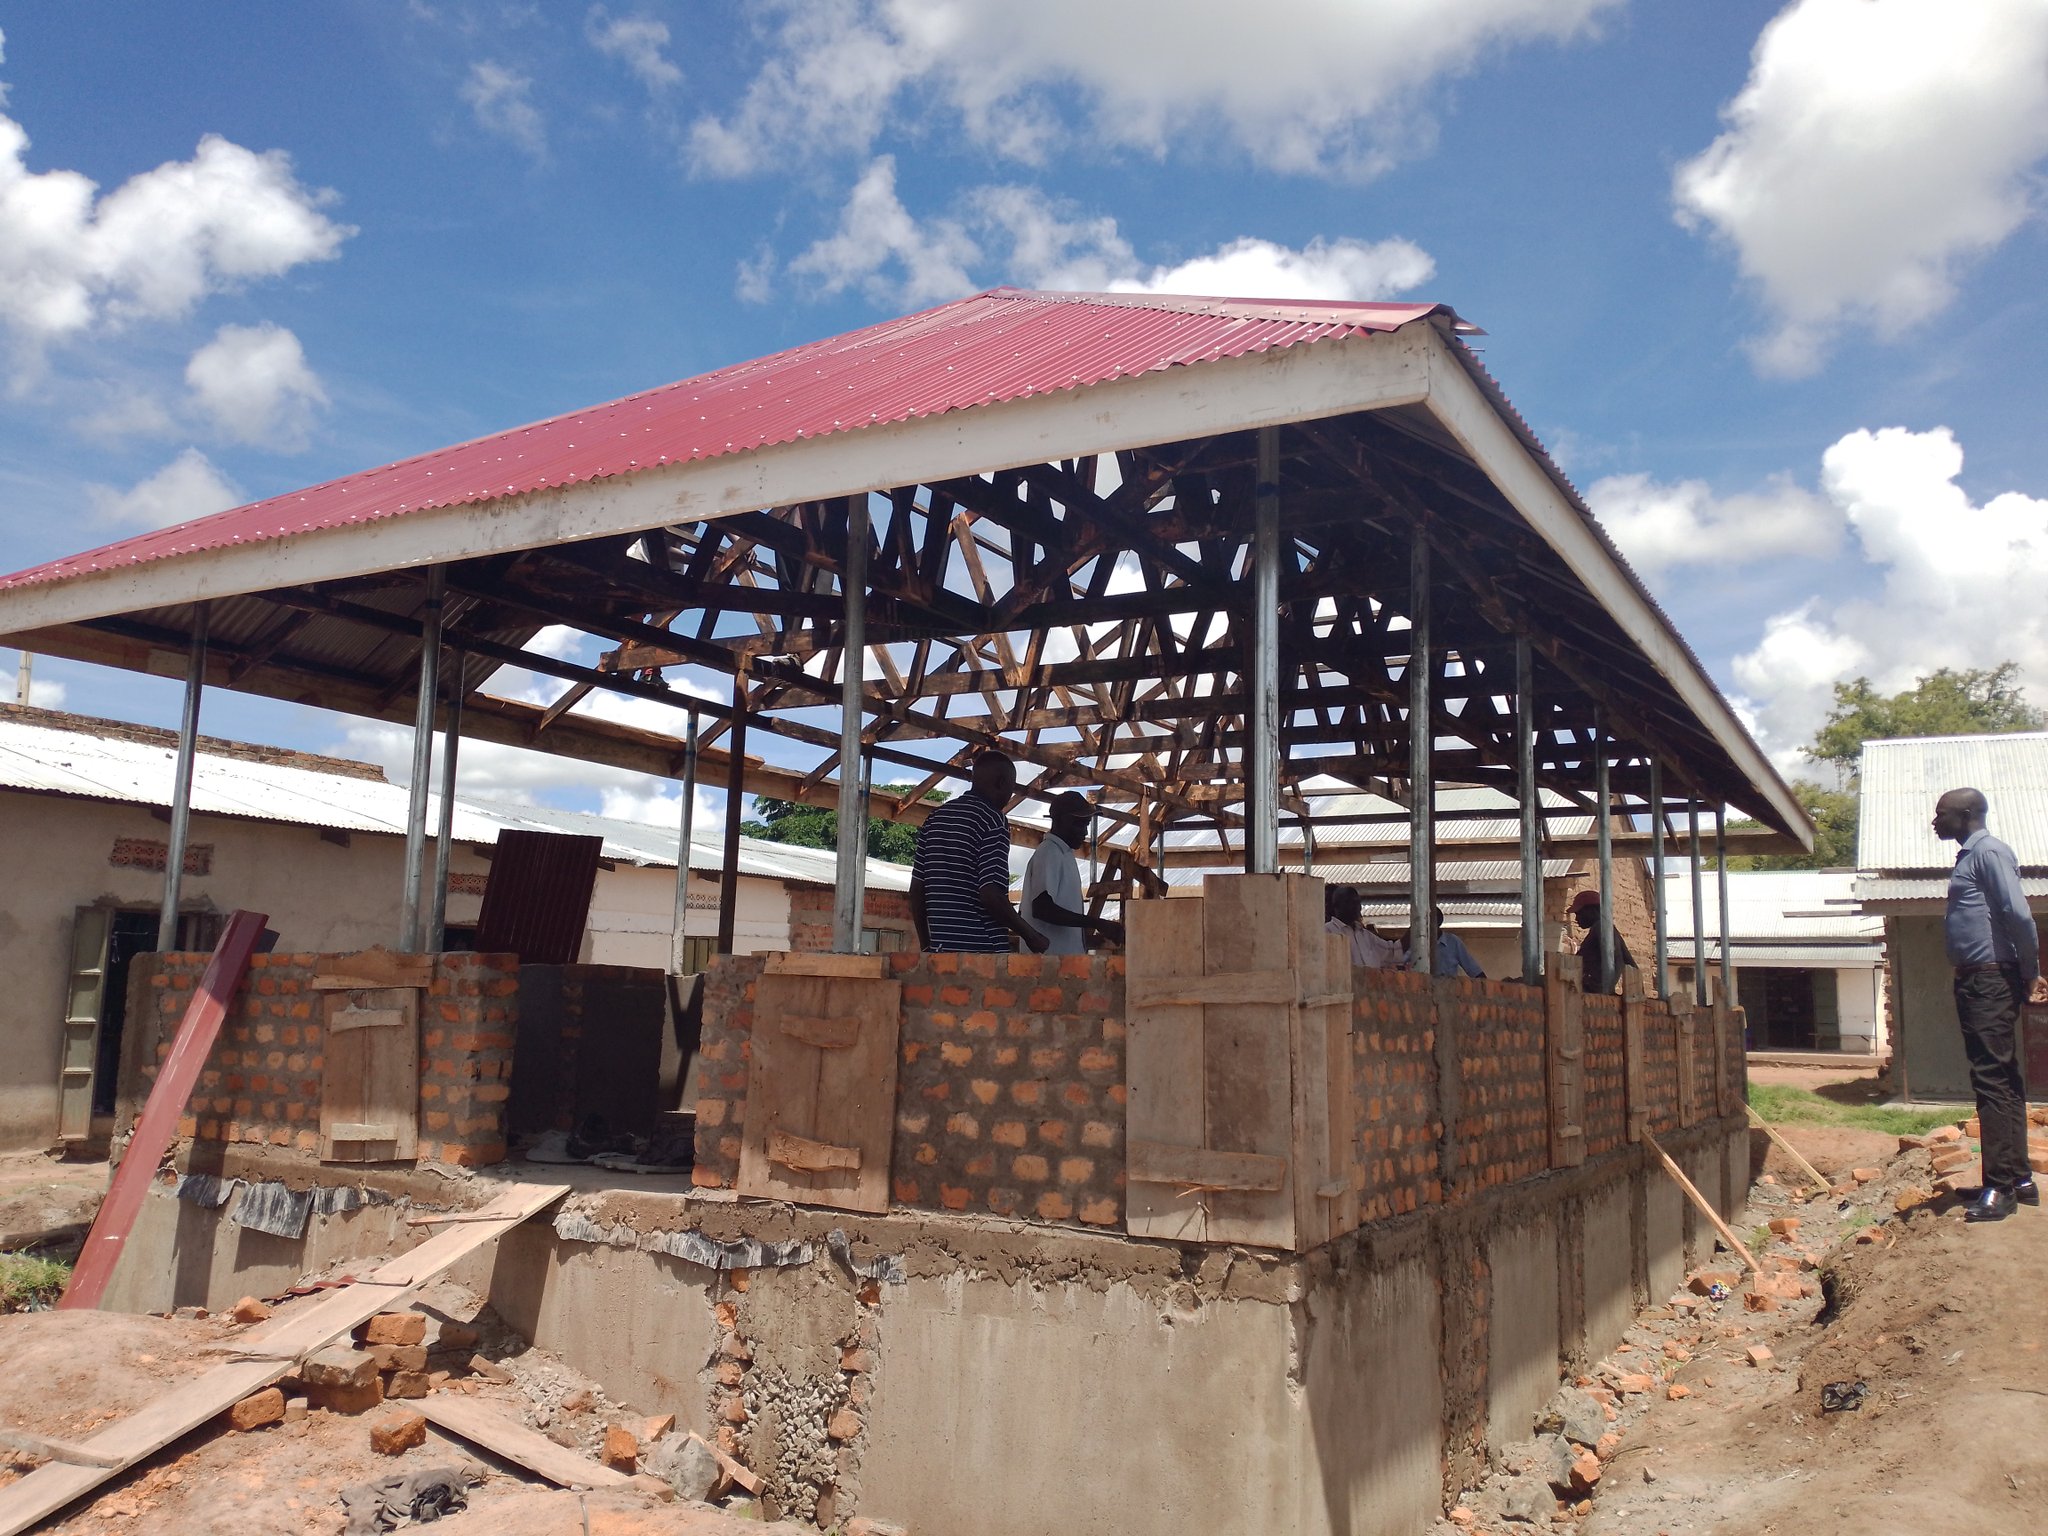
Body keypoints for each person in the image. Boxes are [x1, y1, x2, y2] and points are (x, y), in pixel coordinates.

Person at [1932, 787, 2048, 1222]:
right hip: (1980, 979)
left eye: (1941, 814)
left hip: (1989, 980)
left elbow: (2018, 914)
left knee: (1992, 1080)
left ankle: (2000, 1189)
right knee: (2002, 1077)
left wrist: (2031, 971)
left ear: (1965, 815)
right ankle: (2018, 1178)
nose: (1935, 822)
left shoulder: (1989, 853)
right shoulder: (1971, 856)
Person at [909, 750, 1048, 954]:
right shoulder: (993, 820)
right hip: (983, 949)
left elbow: (917, 889)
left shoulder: (935, 818)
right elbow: (991, 893)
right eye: (1011, 788)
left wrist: (926, 944)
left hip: (941, 950)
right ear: (1001, 783)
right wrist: (1031, 936)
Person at [1019, 792, 1125, 954]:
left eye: (1086, 825)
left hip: (1060, 962)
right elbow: (1042, 908)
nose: (1085, 832)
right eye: (1080, 824)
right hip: (1048, 962)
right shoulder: (1049, 852)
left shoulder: (1064, 854)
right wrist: (1097, 923)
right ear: (1062, 820)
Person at [1569, 888, 1634, 993]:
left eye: (1579, 913)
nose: (1576, 919)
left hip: (1594, 991)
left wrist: (1602, 988)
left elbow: (1616, 958)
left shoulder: (1601, 927)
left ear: (1591, 910)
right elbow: (1629, 961)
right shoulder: (1605, 928)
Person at [1326, 885, 1402, 969]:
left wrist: (1413, 930)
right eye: (1350, 902)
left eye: (1357, 902)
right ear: (1336, 906)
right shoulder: (1327, 932)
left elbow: (1392, 951)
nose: (1356, 907)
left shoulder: (1366, 935)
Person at [1425, 906, 1485, 978]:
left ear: (1439, 922)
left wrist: (1485, 984)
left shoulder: (1453, 942)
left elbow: (1474, 971)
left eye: (1430, 922)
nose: (1427, 925)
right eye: (1425, 922)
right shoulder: (1416, 944)